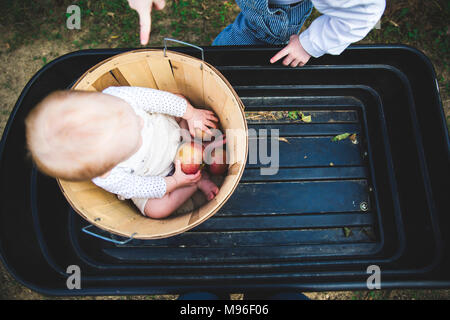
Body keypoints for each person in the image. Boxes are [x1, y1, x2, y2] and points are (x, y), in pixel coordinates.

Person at [25, 87, 223, 219]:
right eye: (136, 132)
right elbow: (142, 187)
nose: (140, 121)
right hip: (160, 175)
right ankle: (196, 180)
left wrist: (189, 113)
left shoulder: (115, 97)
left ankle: (195, 145)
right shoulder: (109, 176)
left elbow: (157, 100)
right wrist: (176, 182)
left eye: (129, 114)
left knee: (176, 99)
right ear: (107, 167)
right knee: (156, 210)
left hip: (172, 130)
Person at [128, 0, 385, 68]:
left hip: (273, 18)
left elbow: (366, 11)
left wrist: (310, 44)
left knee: (221, 60)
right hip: (256, 9)